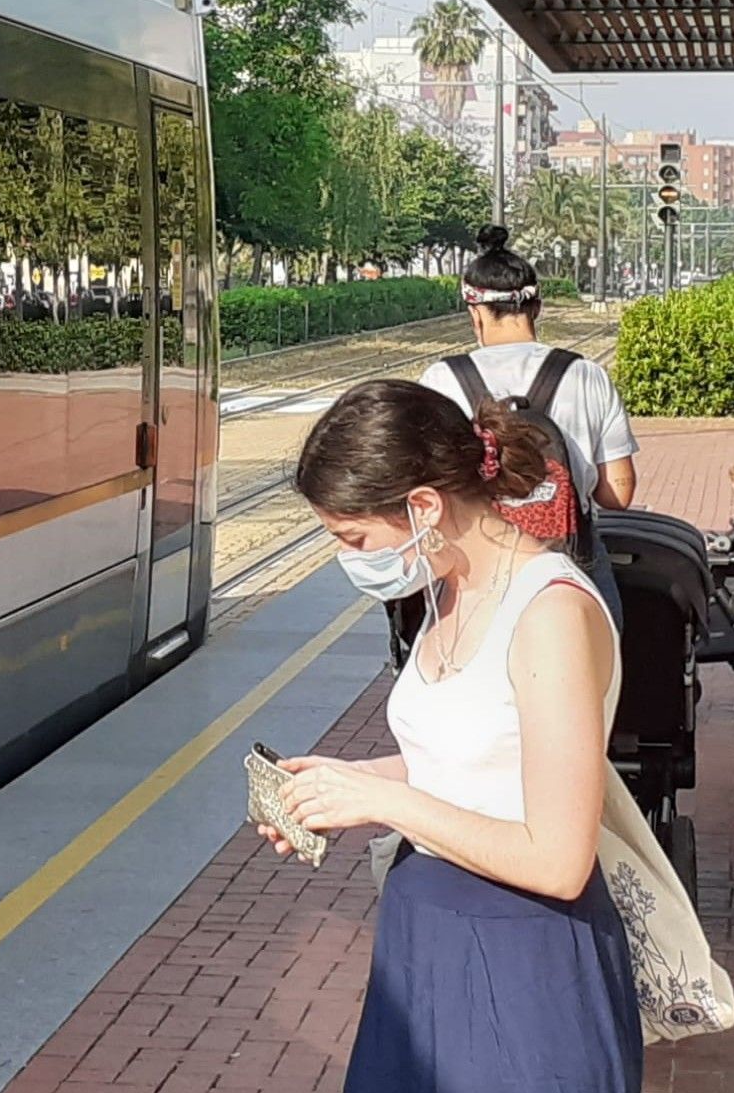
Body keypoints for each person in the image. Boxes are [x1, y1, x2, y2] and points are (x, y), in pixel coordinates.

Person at [265, 379, 645, 1092]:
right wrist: (347, 784)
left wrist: (383, 804)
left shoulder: (548, 613)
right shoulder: (451, 585)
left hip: (521, 957)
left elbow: (558, 858)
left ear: (423, 506)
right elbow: (476, 759)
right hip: (428, 939)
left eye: (353, 537)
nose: (349, 557)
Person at [417, 225, 637, 632]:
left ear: (475, 313)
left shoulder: (441, 380)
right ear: (536, 308)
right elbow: (618, 494)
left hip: (475, 571)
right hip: (573, 565)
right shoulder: (586, 375)